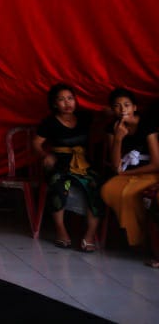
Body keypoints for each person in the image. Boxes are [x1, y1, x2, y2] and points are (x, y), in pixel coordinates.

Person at [33, 83, 104, 250]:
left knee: (97, 186)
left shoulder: (84, 117)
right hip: (59, 165)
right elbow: (36, 143)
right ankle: (61, 231)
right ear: (54, 104)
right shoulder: (49, 122)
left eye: (70, 98)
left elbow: (103, 118)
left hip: (83, 164)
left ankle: (89, 235)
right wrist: (45, 155)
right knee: (58, 186)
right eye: (61, 99)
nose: (67, 103)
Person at [101, 87, 159, 262]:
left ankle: (143, 239)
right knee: (108, 190)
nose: (122, 110)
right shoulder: (113, 128)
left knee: (128, 193)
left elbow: (156, 163)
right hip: (126, 174)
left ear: (134, 107)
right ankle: (137, 237)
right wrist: (119, 138)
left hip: (149, 173)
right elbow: (115, 165)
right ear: (112, 109)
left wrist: (127, 173)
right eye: (117, 106)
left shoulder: (147, 125)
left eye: (126, 105)